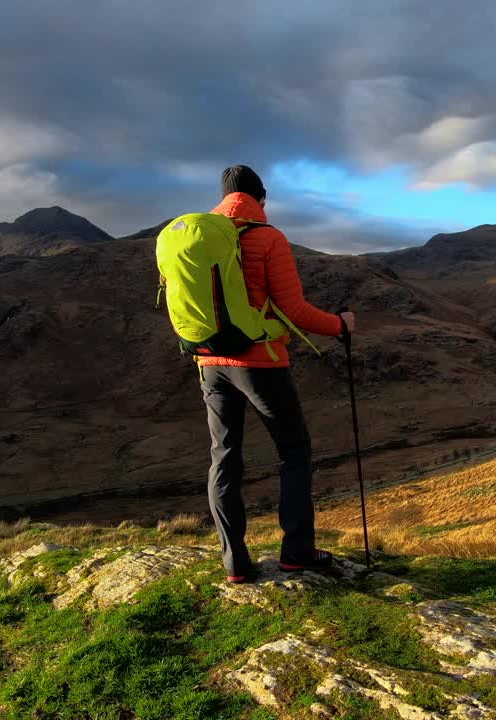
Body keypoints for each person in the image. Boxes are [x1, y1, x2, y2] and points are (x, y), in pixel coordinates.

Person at [198, 164, 355, 583]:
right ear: (260, 199)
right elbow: (295, 310)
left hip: (209, 362)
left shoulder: (199, 240)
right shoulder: (268, 238)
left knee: (224, 456)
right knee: (294, 450)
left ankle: (235, 564)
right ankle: (296, 553)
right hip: (260, 362)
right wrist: (340, 326)